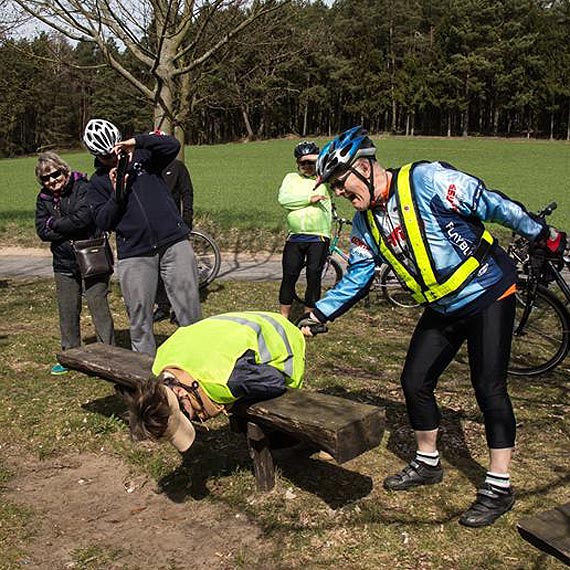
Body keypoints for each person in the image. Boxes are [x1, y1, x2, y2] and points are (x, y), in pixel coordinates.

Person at [298, 126, 567, 528]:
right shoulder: (365, 224)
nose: (339, 192)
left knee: (488, 387)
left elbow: (492, 204)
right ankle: (428, 462)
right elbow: (357, 277)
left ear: (366, 167)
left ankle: (499, 486)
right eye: (334, 186)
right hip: (443, 306)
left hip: (488, 290)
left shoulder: (426, 180)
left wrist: (542, 234)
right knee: (414, 380)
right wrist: (318, 314)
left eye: (341, 182)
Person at [83, 119, 202, 356]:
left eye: (116, 150)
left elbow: (171, 145)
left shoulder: (143, 158)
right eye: (107, 156)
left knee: (189, 308)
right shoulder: (96, 183)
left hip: (173, 241)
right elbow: (103, 221)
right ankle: (146, 376)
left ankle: (196, 360)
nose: (114, 158)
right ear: (96, 156)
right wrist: (117, 193)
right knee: (139, 317)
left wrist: (136, 142)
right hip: (135, 252)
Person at [121, 311, 305, 452]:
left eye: (187, 415)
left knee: (268, 418)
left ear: (179, 392)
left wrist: (234, 400)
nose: (194, 419)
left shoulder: (227, 379)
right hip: (239, 322)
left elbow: (275, 381)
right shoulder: (162, 358)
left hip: (281, 334)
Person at [34, 151, 115, 375]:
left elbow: (83, 219)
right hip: (63, 262)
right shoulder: (43, 199)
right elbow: (41, 231)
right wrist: (62, 226)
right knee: (67, 309)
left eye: (55, 174)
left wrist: (54, 223)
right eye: (46, 178)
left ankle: (108, 354)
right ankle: (70, 354)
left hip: (92, 256)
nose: (52, 180)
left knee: (98, 304)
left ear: (64, 170)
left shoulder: (83, 187)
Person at [278, 141, 332, 319]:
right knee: (289, 276)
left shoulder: (324, 177)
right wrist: (310, 198)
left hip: (319, 237)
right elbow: (285, 199)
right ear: (297, 164)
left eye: (311, 162)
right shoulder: (290, 178)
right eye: (303, 163)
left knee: (313, 277)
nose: (307, 166)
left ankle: (309, 319)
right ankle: (283, 318)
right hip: (295, 236)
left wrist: (320, 162)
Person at [153, 158, 195, 323]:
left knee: (176, 272)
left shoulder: (177, 167)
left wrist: (187, 219)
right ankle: (163, 306)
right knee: (156, 270)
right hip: (152, 227)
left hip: (174, 225)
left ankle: (180, 310)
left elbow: (187, 192)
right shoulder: (148, 167)